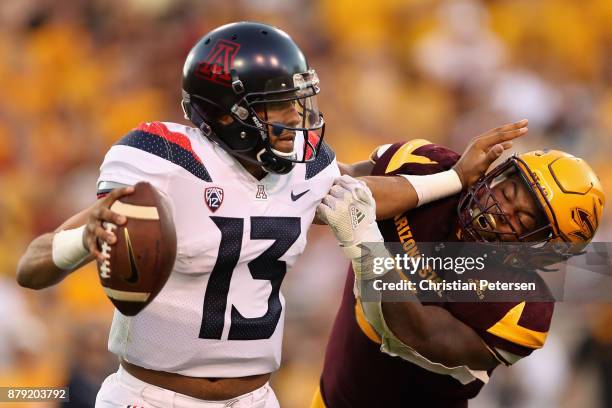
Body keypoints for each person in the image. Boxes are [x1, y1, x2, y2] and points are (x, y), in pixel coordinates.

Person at [15, 21, 528, 407]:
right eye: (279, 104)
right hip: (150, 397)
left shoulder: (300, 172)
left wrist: (454, 179)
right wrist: (83, 242)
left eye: (298, 102)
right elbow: (32, 266)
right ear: (226, 112)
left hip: (255, 399)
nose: (297, 118)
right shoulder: (164, 163)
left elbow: (363, 193)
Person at [314, 141, 605, 407]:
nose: (501, 210)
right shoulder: (434, 170)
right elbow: (334, 186)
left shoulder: (522, 307)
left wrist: (365, 244)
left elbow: (415, 333)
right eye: (506, 192)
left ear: (542, 249)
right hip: (328, 397)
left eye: (522, 219)